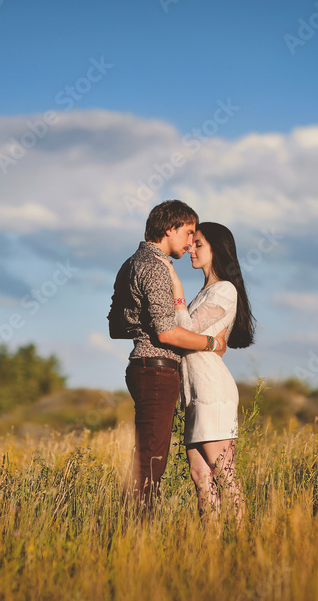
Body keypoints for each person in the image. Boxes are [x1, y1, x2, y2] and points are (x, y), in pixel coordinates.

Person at [108, 200, 229, 514]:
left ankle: (133, 531)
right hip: (157, 371)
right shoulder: (157, 267)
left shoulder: (130, 263)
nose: (191, 241)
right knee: (151, 461)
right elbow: (167, 334)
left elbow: (116, 325)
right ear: (169, 229)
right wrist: (211, 342)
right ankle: (135, 537)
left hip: (141, 367)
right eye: (188, 232)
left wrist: (143, 327)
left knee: (148, 455)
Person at [155, 221, 256, 520]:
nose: (190, 250)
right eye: (192, 243)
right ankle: (210, 552)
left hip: (213, 391)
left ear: (217, 248)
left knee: (224, 474)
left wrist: (175, 288)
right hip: (194, 395)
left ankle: (242, 543)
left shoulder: (224, 290)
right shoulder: (205, 292)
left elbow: (185, 330)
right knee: (201, 477)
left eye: (199, 244)